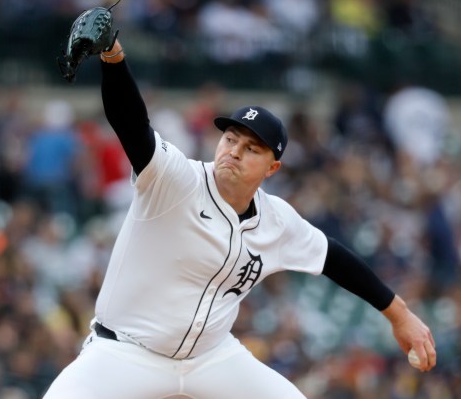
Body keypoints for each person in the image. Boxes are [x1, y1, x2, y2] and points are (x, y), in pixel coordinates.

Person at [42, 36, 436, 399]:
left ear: (272, 168)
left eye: (251, 148)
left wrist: (399, 314)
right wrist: (113, 57)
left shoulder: (276, 220)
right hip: (125, 353)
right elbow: (131, 124)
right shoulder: (175, 179)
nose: (233, 151)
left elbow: (334, 258)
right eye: (230, 138)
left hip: (210, 359)